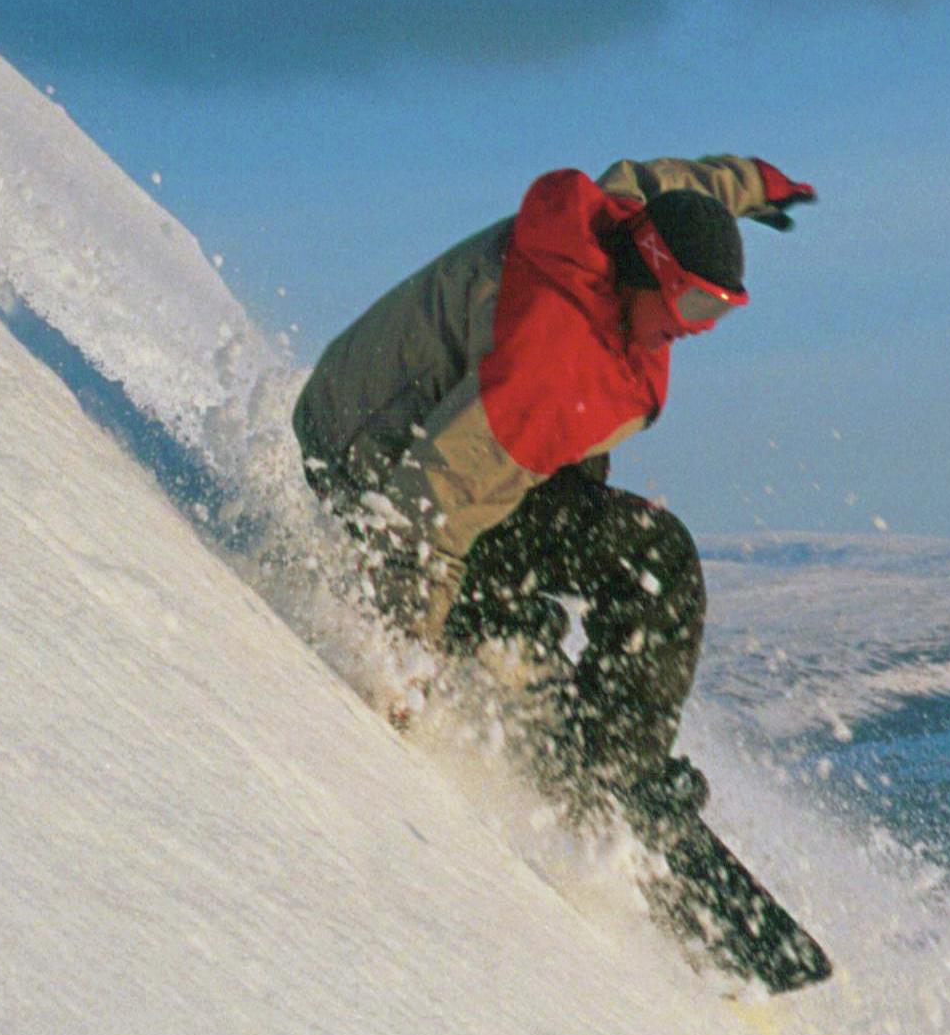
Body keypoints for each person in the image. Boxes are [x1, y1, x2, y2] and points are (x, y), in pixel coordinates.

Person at [292, 153, 815, 835]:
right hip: (370, 464)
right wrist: (397, 667)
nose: (697, 328)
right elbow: (427, 505)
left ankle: (519, 641)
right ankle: (608, 777)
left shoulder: (616, 228)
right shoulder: (549, 366)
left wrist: (752, 184)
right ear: (651, 266)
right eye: (692, 303)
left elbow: (672, 187)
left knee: (578, 476)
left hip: (383, 415)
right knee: (656, 562)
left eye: (720, 311)